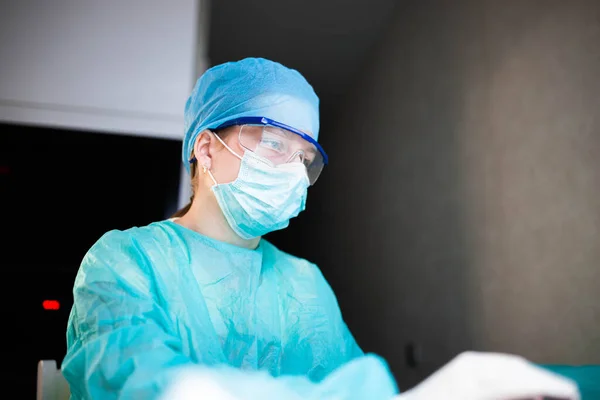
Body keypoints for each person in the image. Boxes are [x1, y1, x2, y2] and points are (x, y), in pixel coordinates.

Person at [62, 57, 581, 400]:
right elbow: (143, 384)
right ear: (205, 146)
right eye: (272, 143)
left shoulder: (302, 284)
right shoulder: (124, 261)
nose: (293, 170)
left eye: (305, 157)